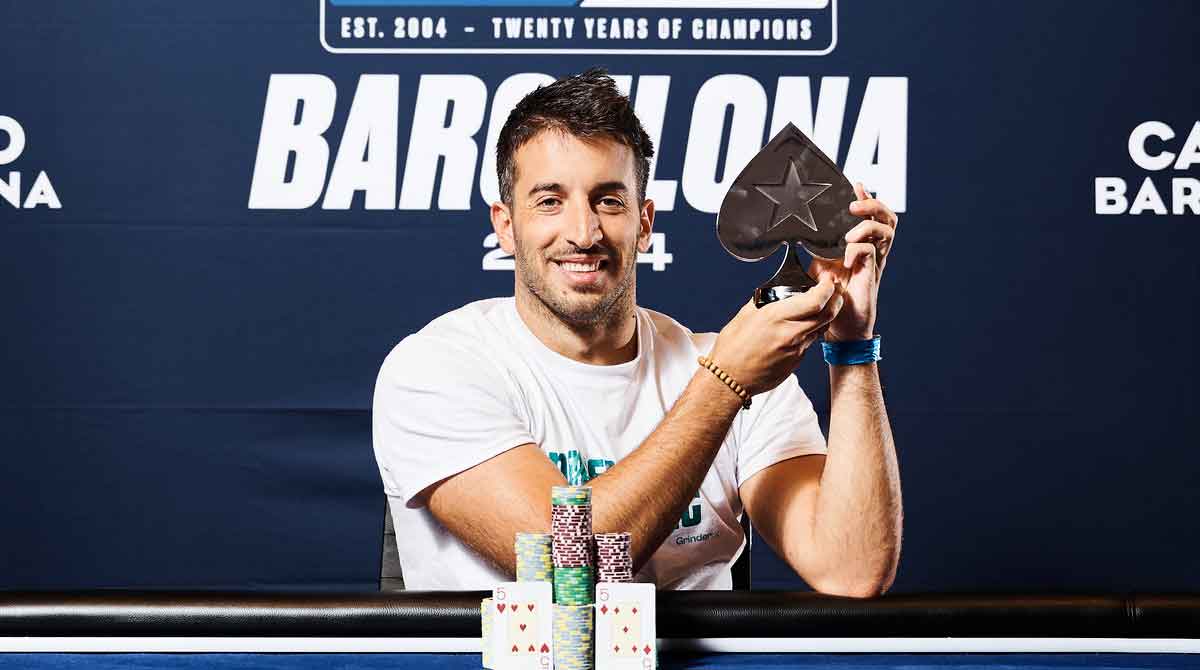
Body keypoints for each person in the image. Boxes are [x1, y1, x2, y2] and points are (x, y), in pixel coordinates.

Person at [372, 68, 901, 595]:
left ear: (644, 223)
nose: (583, 233)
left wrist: (851, 346)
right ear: (506, 226)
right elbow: (568, 567)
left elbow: (850, 571)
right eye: (550, 201)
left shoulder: (744, 368)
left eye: (609, 200)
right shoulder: (437, 369)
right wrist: (723, 385)